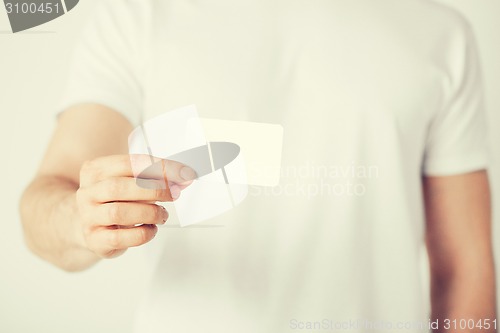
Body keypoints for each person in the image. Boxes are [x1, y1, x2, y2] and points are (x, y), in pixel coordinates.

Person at [20, 0, 497, 332]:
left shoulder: (440, 34)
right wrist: (82, 220)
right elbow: (49, 197)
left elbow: (465, 267)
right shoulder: (139, 13)